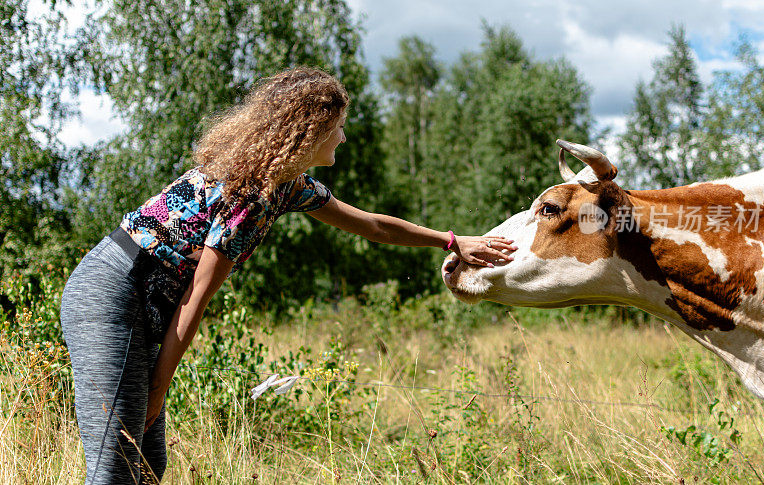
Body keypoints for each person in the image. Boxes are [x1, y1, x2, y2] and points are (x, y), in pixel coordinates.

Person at [59, 67, 517, 484]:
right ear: (312, 130)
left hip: (136, 301)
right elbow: (197, 294)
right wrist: (159, 387)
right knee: (115, 467)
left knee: (147, 463)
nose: (342, 137)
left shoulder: (291, 185)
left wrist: (451, 241)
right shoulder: (253, 194)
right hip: (110, 294)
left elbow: (374, 225)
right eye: (337, 126)